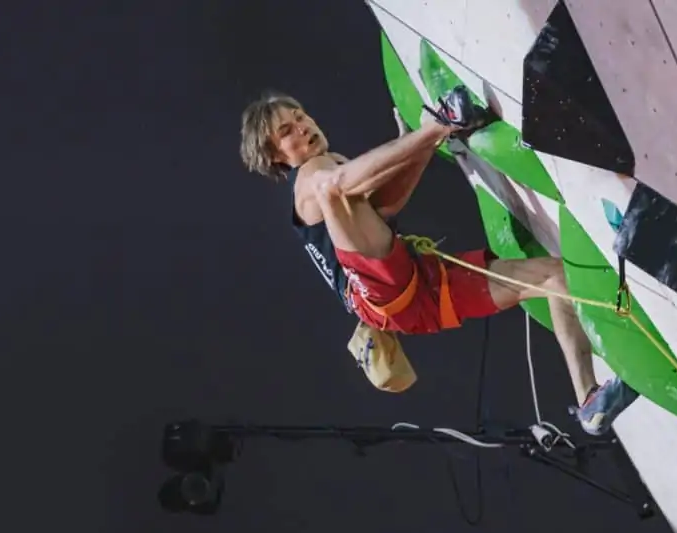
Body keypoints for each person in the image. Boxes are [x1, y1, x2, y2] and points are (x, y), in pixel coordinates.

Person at [238, 86, 639, 436]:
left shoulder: (334, 168)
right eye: (286, 131)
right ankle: (443, 120)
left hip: (410, 296)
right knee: (333, 190)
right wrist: (432, 130)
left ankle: (589, 401)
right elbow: (337, 187)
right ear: (275, 156)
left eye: (299, 116)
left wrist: (423, 145)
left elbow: (385, 208)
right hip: (379, 292)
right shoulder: (310, 179)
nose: (302, 126)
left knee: (554, 277)